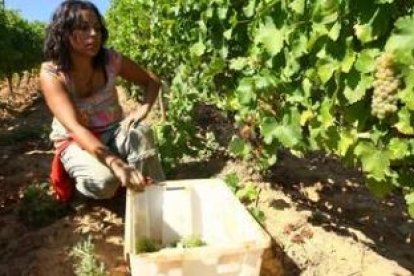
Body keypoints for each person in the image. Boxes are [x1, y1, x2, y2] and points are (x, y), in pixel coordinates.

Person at [40, 0, 165, 201]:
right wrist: (116, 163)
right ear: (64, 33)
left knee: (141, 133)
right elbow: (75, 128)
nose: (93, 34)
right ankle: (81, 184)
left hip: (112, 132)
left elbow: (152, 81)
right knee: (104, 183)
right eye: (83, 28)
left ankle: (152, 199)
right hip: (75, 140)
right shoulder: (52, 73)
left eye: (97, 28)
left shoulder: (110, 60)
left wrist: (143, 109)